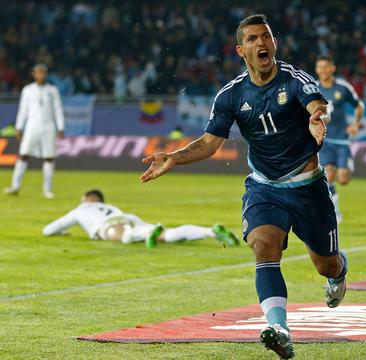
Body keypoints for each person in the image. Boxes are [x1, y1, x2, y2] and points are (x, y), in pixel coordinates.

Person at [140, 14, 347, 359]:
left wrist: (317, 118)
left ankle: (339, 271)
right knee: (264, 247)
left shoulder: (294, 79)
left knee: (325, 264)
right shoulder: (231, 95)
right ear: (241, 50)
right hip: (265, 187)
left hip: (308, 186)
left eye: (265, 36)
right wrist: (175, 157)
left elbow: (318, 105)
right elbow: (209, 143)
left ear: (274, 43)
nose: (261, 43)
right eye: (252, 39)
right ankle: (279, 328)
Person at [43, 189, 240, 247]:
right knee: (167, 234)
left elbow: (49, 229)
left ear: (87, 199)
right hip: (127, 217)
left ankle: (141, 235)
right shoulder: (108, 205)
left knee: (124, 236)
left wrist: (63, 232)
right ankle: (209, 231)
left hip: (110, 225)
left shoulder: (81, 208)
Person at [315, 56, 365, 223]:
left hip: (342, 140)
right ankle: (335, 213)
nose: (322, 70)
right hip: (325, 140)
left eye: (325, 67)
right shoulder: (313, 88)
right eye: (320, 67)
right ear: (317, 70)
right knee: (328, 175)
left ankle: (344, 170)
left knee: (343, 179)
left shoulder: (343, 88)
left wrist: (356, 124)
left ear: (332, 68)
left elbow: (359, 106)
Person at [5, 64, 65, 199]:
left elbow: (58, 109)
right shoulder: (28, 90)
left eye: (44, 73)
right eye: (39, 73)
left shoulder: (52, 90)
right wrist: (19, 127)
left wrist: (60, 127)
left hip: (48, 126)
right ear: (34, 74)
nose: (41, 75)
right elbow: (23, 110)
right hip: (32, 126)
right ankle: (15, 186)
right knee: (23, 154)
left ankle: (47, 190)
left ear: (47, 74)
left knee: (49, 157)